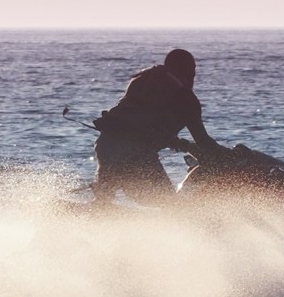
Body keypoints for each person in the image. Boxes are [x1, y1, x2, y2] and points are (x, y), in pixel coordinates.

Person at [92, 48, 219, 205]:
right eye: (192, 70)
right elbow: (203, 140)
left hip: (106, 145)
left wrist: (179, 143)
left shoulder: (140, 81)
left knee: (104, 199)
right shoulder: (187, 100)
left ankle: (97, 210)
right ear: (187, 71)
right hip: (134, 155)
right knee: (169, 205)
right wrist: (227, 156)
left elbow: (142, 125)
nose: (194, 75)